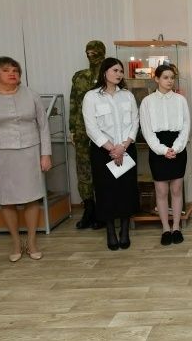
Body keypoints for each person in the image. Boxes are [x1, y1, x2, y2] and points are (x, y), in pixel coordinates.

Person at [0, 56, 52, 261]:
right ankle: (15, 242)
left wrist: (46, 154)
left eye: (15, 70)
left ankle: (31, 242)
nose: (12, 73)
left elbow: (43, 126)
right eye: (6, 70)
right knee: (7, 200)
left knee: (32, 197)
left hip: (30, 152)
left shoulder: (31, 94)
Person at [82, 57, 139, 251]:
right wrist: (112, 149)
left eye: (121, 71)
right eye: (115, 70)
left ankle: (124, 230)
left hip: (126, 149)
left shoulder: (127, 95)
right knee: (106, 191)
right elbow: (91, 128)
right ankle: (110, 231)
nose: (119, 74)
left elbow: (135, 122)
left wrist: (123, 146)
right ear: (104, 72)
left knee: (126, 190)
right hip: (102, 152)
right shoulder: (91, 97)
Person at [140, 65, 190, 246]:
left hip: (178, 148)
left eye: (172, 78)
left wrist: (175, 148)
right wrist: (162, 150)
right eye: (166, 77)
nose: (170, 81)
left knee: (176, 190)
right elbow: (146, 130)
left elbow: (186, 126)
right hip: (157, 148)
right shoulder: (147, 102)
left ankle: (176, 227)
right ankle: (165, 228)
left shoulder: (180, 100)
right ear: (157, 79)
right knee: (161, 191)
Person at [69, 40, 106, 230]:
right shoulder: (79, 77)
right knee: (83, 170)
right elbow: (74, 103)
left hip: (104, 130)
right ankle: (89, 207)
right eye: (88, 52)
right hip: (82, 131)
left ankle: (103, 210)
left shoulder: (108, 74)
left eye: (95, 52)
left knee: (103, 169)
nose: (91, 55)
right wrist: (72, 129)